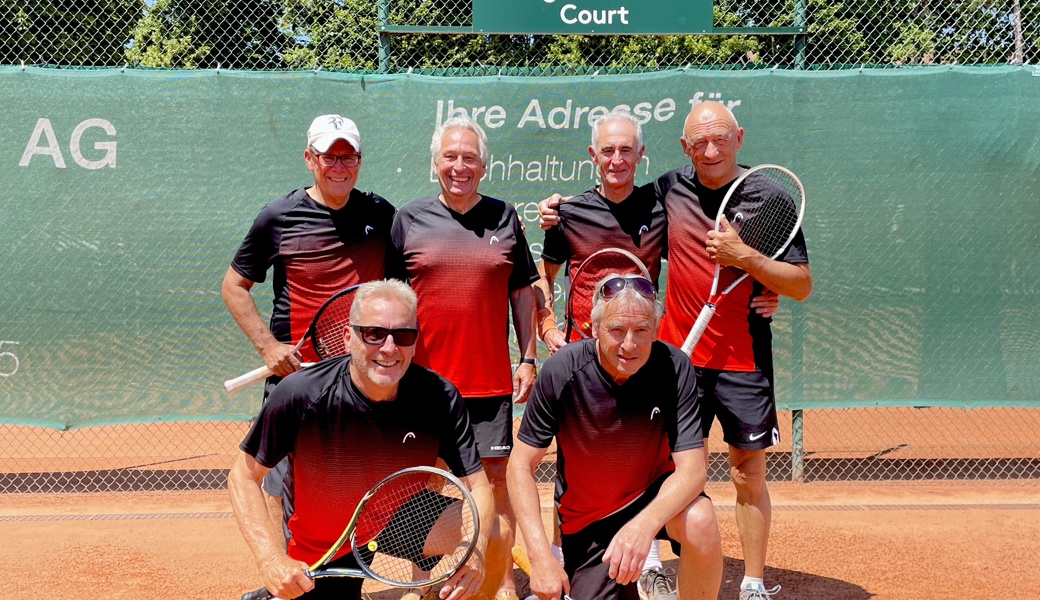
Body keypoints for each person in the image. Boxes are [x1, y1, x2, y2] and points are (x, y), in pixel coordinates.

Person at [539, 102, 812, 600]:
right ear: (684, 148)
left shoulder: (770, 198)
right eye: (699, 142)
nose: (711, 150)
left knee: (746, 470)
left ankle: (751, 581)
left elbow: (801, 284)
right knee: (653, 467)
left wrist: (749, 262)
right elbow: (594, 233)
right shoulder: (668, 189)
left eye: (721, 138)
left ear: (740, 137)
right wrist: (554, 214)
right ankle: (653, 565)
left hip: (742, 360)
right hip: (671, 360)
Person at [229, 280, 494, 600]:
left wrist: (475, 552)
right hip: (323, 546)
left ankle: (420, 592)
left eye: (403, 336)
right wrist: (271, 560)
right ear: (347, 338)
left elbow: (477, 485)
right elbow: (243, 476)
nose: (389, 348)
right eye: (374, 334)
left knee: (495, 532)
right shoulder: (300, 394)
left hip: (393, 518)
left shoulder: (440, 397)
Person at [222, 114, 396, 541]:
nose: (339, 166)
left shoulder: (381, 214)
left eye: (348, 156)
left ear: (359, 161)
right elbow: (234, 286)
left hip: (362, 378)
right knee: (282, 488)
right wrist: (268, 347)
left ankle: (343, 576)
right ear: (309, 159)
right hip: (297, 378)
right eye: (329, 156)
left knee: (354, 481)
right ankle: (287, 575)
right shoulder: (278, 216)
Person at [388, 115, 539, 600]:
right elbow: (389, 298)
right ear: (435, 163)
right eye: (450, 157)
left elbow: (522, 290)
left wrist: (528, 357)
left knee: (495, 487)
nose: (459, 166)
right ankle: (424, 583)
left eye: (469, 158)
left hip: (490, 385)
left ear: (484, 165)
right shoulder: (408, 219)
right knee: (425, 484)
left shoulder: (505, 217)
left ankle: (498, 583)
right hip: (422, 387)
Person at [508, 275, 723, 600]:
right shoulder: (561, 371)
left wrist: (643, 526)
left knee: (700, 519)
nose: (629, 345)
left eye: (641, 331)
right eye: (616, 330)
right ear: (594, 328)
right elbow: (520, 465)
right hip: (591, 521)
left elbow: (693, 471)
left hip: (654, 500)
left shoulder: (675, 367)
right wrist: (540, 557)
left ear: (655, 328)